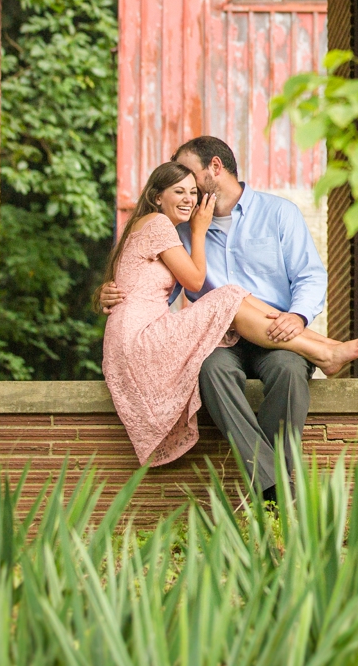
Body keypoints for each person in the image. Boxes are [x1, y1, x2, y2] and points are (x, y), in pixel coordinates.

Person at [99, 136, 337, 496]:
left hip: (278, 331)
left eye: (190, 178)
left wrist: (300, 317)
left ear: (214, 167)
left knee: (289, 371)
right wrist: (116, 293)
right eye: (179, 186)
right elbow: (166, 286)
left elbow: (310, 275)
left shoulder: (278, 212)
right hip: (221, 339)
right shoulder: (181, 226)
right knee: (211, 370)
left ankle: (270, 483)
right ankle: (275, 486)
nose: (189, 191)